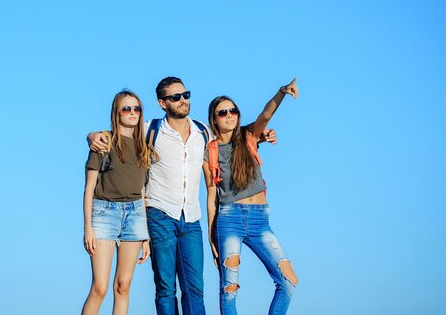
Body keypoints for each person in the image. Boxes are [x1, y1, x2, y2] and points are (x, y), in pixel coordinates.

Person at [88, 77, 277, 315]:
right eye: (175, 97)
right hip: (159, 216)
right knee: (166, 289)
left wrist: (262, 136)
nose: (183, 100)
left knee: (195, 288)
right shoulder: (150, 129)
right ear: (162, 103)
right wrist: (92, 135)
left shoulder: (202, 131)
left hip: (191, 219)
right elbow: (120, 130)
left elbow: (232, 134)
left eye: (185, 95)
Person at [203, 78, 299, 315]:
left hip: (259, 220)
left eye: (233, 110)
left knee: (288, 281)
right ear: (214, 119)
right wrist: (211, 236)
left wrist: (281, 92)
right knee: (229, 289)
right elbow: (211, 195)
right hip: (229, 219)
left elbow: (265, 116)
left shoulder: (249, 136)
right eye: (222, 112)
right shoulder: (209, 151)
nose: (229, 115)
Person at [81, 90, 151, 315]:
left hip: (135, 215)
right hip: (104, 213)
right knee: (99, 288)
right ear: (116, 113)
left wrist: (145, 235)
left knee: (123, 286)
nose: (132, 113)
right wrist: (88, 228)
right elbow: (89, 188)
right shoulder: (103, 142)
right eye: (126, 109)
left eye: (137, 109)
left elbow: (142, 191)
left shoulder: (144, 148)